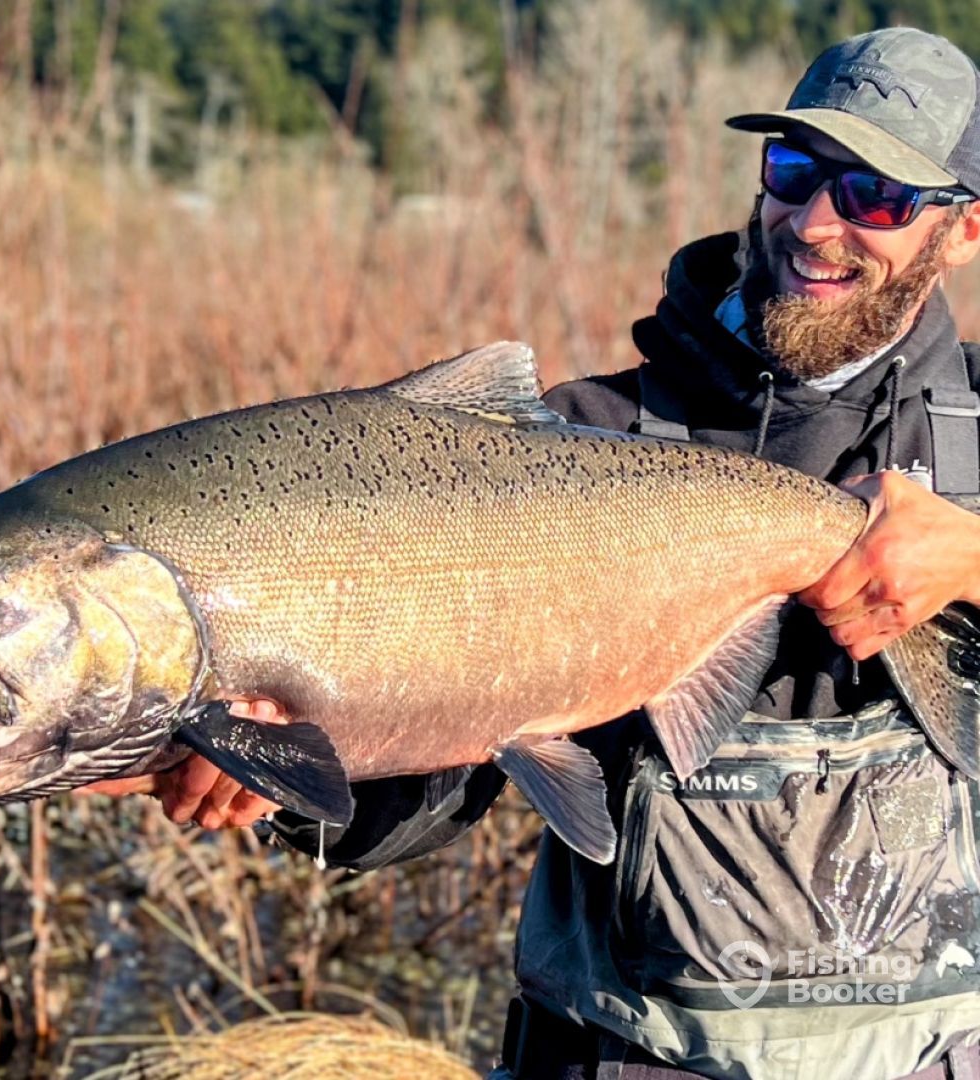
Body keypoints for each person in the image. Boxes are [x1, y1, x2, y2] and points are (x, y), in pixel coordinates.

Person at [84, 28, 980, 1079]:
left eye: (875, 196)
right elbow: (437, 793)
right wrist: (284, 778)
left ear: (963, 232)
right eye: (795, 169)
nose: (816, 222)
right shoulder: (576, 442)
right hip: (617, 1059)